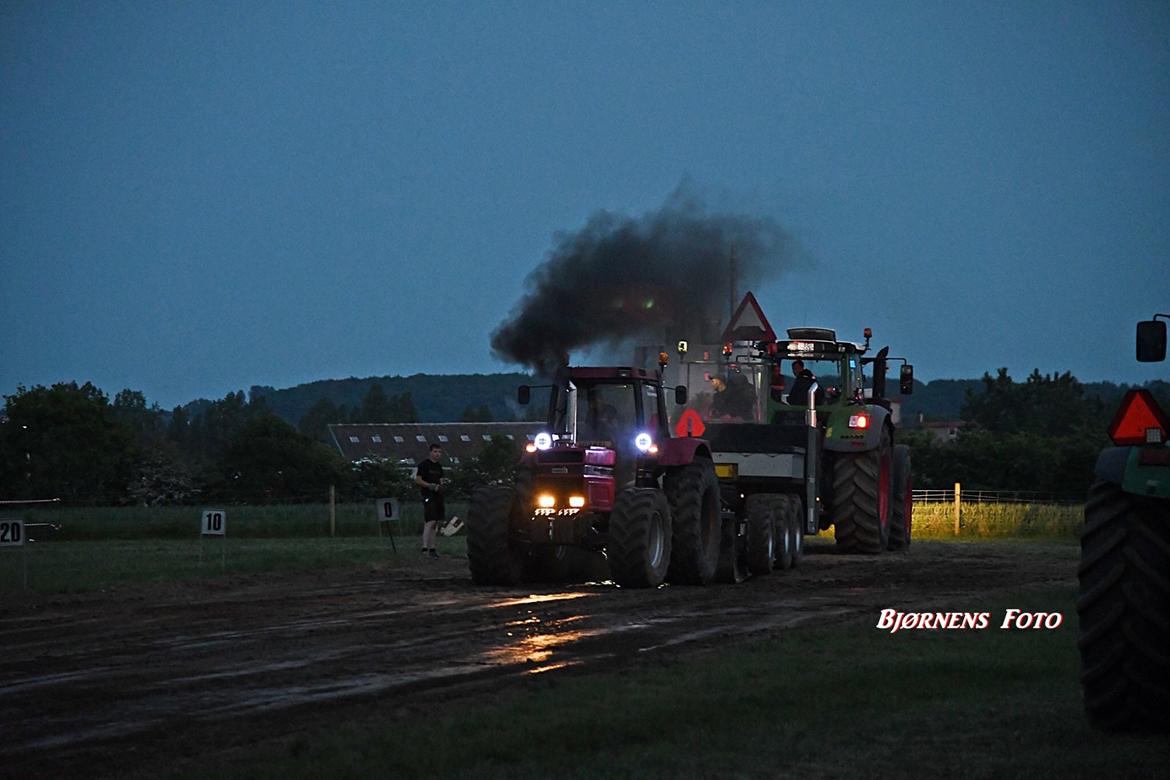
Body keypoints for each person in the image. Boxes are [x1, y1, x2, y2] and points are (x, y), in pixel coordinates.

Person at [414, 443, 445, 558]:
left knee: (435, 522)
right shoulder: (424, 465)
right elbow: (418, 480)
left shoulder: (439, 467)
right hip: (428, 495)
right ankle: (424, 547)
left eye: (439, 452)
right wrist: (429, 486)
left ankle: (432, 548)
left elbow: (441, 480)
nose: (437, 454)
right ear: (430, 452)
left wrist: (442, 486)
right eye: (435, 452)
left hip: (438, 496)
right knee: (430, 520)